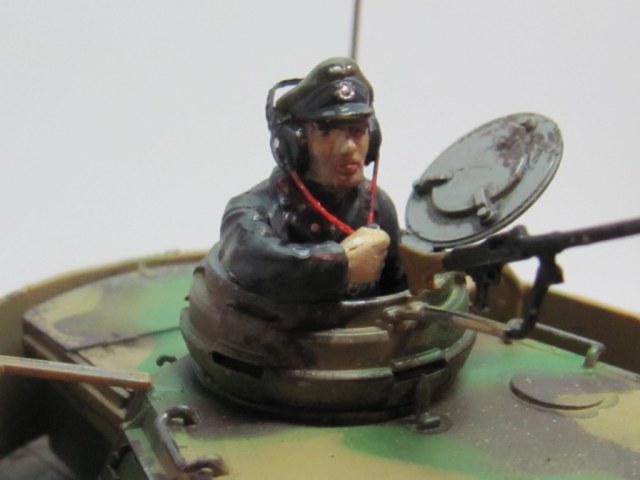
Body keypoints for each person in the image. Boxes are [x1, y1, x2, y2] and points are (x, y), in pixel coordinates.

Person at [218, 57, 405, 304]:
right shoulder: (255, 209)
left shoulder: (376, 204)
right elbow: (249, 257)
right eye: (327, 133)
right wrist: (339, 265)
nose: (348, 148)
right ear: (296, 142)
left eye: (357, 131)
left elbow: (397, 291)